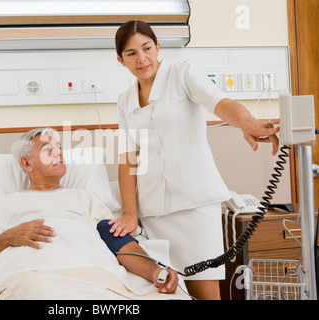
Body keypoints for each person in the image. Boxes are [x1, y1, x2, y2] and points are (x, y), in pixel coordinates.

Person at [109, 20, 279, 300]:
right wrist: (130, 213)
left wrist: (247, 122)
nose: (142, 58)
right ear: (121, 60)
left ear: (158, 47)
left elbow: (220, 103)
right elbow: (128, 158)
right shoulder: (125, 100)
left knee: (205, 292)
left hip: (195, 205)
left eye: (147, 48)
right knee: (165, 293)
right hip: (153, 213)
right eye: (131, 53)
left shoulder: (182, 73)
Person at [0, 127, 178, 295]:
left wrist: (156, 272)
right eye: (48, 150)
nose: (59, 154)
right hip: (31, 275)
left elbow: (120, 242)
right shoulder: (4, 205)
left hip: (94, 274)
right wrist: (7, 238)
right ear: (27, 163)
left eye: (59, 149)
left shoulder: (86, 199)